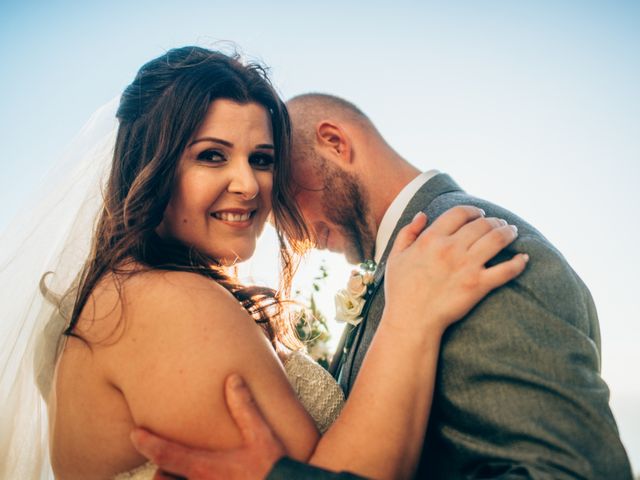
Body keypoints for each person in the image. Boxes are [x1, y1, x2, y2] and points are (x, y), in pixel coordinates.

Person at [0, 48, 528, 479]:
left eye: (261, 159)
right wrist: (412, 317)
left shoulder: (123, 293)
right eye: (211, 155)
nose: (249, 185)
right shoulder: (168, 302)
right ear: (152, 167)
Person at [131, 93, 633, 479]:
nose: (287, 229)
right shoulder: (415, 265)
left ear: (334, 142)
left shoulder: (465, 246)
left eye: (283, 193)